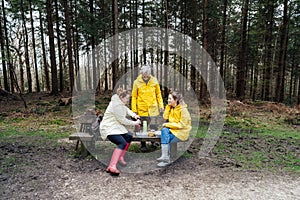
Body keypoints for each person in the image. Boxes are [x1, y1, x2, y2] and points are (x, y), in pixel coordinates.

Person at [100, 88, 141, 176]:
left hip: (116, 127)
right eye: (127, 98)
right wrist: (135, 122)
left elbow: (127, 110)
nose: (128, 100)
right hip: (108, 128)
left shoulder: (120, 103)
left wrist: (134, 115)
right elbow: (123, 120)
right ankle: (112, 166)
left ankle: (120, 157)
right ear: (121, 97)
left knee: (129, 137)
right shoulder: (116, 106)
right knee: (122, 142)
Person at [131, 65, 164, 152]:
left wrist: (161, 105)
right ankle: (143, 144)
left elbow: (158, 94)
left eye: (147, 74)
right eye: (144, 74)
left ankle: (153, 142)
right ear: (141, 73)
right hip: (142, 109)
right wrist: (134, 109)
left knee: (154, 126)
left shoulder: (154, 81)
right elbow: (134, 96)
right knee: (142, 128)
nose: (145, 76)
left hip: (153, 108)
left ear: (150, 73)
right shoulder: (136, 82)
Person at [157, 90, 191, 167]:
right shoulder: (171, 108)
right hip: (174, 131)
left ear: (176, 100)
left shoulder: (183, 110)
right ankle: (165, 157)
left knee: (165, 136)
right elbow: (165, 117)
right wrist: (168, 107)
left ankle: (166, 159)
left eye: (170, 99)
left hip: (182, 133)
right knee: (164, 130)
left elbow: (182, 125)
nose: (168, 100)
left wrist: (168, 124)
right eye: (168, 98)